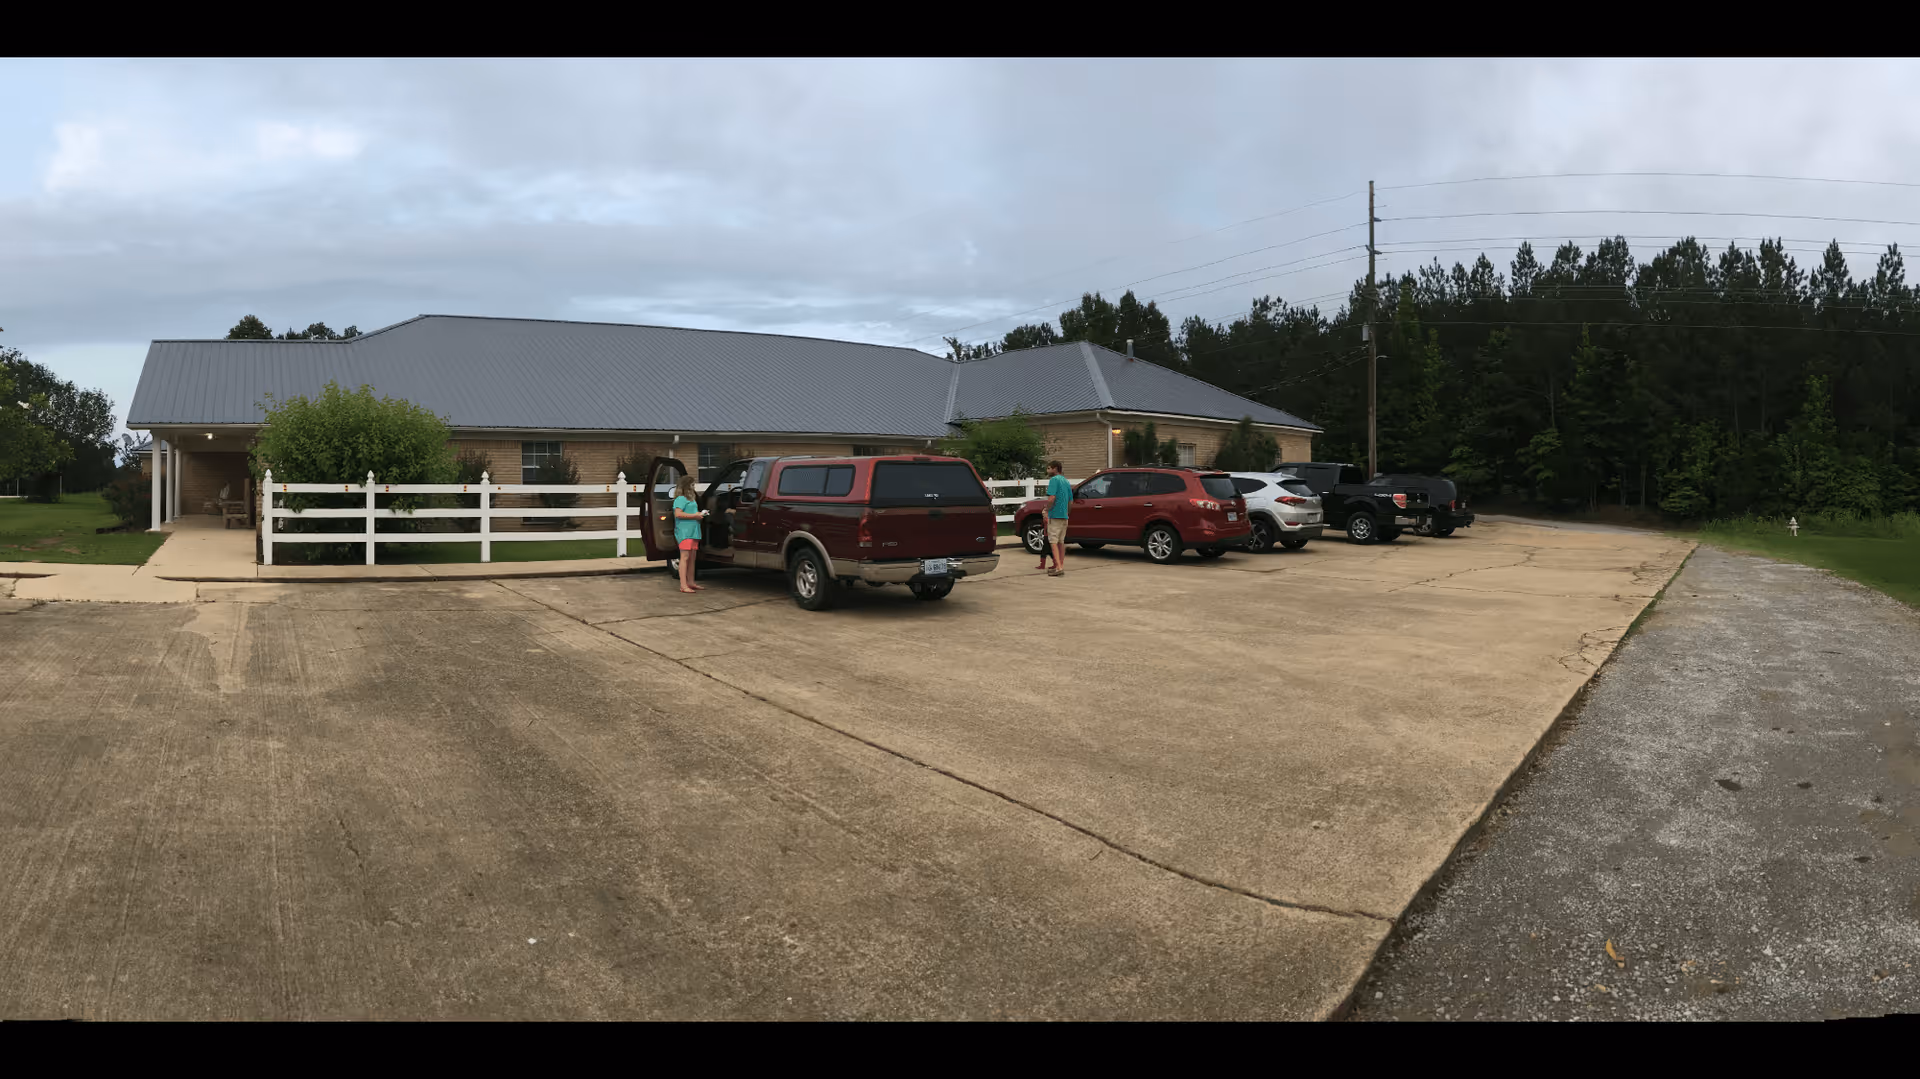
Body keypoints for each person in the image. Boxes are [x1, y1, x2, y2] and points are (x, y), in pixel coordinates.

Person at [671, 475, 708, 593]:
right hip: (684, 532)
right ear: (686, 486)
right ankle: (683, 585)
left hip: (694, 531)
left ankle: (691, 582)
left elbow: (691, 512)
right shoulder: (680, 499)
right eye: (692, 484)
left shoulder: (692, 499)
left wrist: (700, 514)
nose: (693, 487)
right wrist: (694, 516)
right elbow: (678, 514)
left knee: (692, 558)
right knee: (685, 557)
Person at [1043, 459, 1071, 576]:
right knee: (1061, 542)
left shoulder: (1054, 480)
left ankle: (1058, 568)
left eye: (1049, 468)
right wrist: (1067, 513)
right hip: (1064, 516)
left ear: (1055, 468)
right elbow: (1071, 501)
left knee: (1053, 541)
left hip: (1055, 515)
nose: (1048, 470)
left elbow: (1051, 498)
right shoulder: (1066, 481)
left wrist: (1046, 510)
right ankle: (1060, 565)